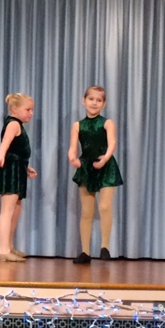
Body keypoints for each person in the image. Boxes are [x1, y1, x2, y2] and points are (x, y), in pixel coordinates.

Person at [68, 85, 123, 264]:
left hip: (105, 166)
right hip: (87, 167)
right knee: (87, 211)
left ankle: (105, 246)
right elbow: (72, 148)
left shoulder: (107, 123)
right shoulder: (78, 125)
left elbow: (112, 143)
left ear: (104, 104)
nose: (94, 103)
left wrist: (105, 158)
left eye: (99, 100)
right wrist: (73, 158)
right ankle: (85, 251)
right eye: (91, 99)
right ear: (84, 101)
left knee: (105, 206)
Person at [0, 93, 37, 262]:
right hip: (11, 171)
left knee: (16, 209)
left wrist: (26, 167)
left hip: (18, 168)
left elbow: (16, 150)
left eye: (32, 110)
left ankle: (9, 245)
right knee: (7, 211)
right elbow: (6, 143)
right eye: (28, 110)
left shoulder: (17, 124)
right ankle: (3, 250)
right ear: (15, 109)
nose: (31, 113)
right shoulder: (13, 124)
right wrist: (0, 155)